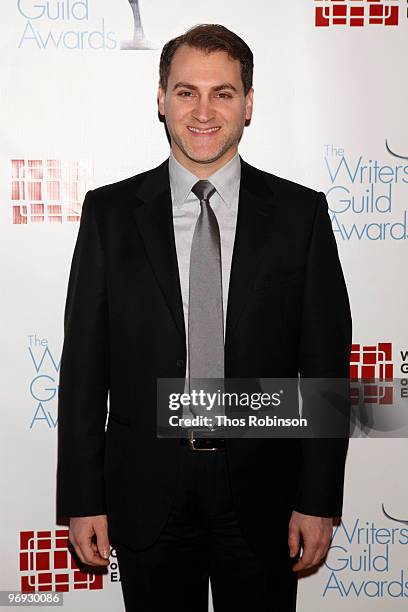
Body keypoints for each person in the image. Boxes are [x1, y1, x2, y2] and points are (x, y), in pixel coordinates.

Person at [56, 23, 352, 612]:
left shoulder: (301, 215)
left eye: (223, 92)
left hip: (265, 494)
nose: (203, 111)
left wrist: (318, 499)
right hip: (145, 494)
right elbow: (85, 370)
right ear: (160, 99)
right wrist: (82, 497)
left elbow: (324, 369)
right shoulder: (110, 214)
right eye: (187, 91)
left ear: (248, 104)